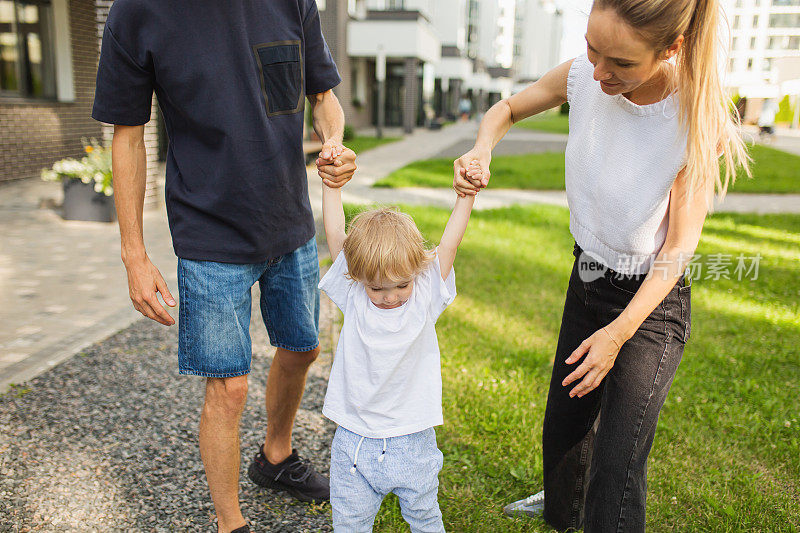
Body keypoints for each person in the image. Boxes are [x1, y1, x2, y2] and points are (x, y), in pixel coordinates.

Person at [452, 0, 750, 530]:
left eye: (623, 63)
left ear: (670, 49)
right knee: (563, 430)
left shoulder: (693, 116)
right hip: (587, 278)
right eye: (592, 48)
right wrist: (482, 150)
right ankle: (559, 507)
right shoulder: (583, 78)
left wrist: (618, 335)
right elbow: (505, 110)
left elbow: (678, 250)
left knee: (616, 468)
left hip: (650, 308)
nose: (600, 71)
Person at [91, 1, 356, 531]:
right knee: (229, 386)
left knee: (303, 349)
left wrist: (333, 143)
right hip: (208, 231)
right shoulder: (137, 11)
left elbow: (323, 98)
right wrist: (134, 255)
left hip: (288, 220)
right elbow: (127, 137)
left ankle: (275, 457)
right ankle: (229, 521)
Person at [317, 162, 480, 532]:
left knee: (424, 519)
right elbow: (334, 232)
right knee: (349, 522)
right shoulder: (354, 294)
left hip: (412, 439)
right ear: (358, 279)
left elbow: (450, 243)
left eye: (400, 285)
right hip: (354, 443)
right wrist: (331, 186)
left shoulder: (425, 293)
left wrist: (465, 196)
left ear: (417, 273)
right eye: (378, 288)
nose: (390, 296)